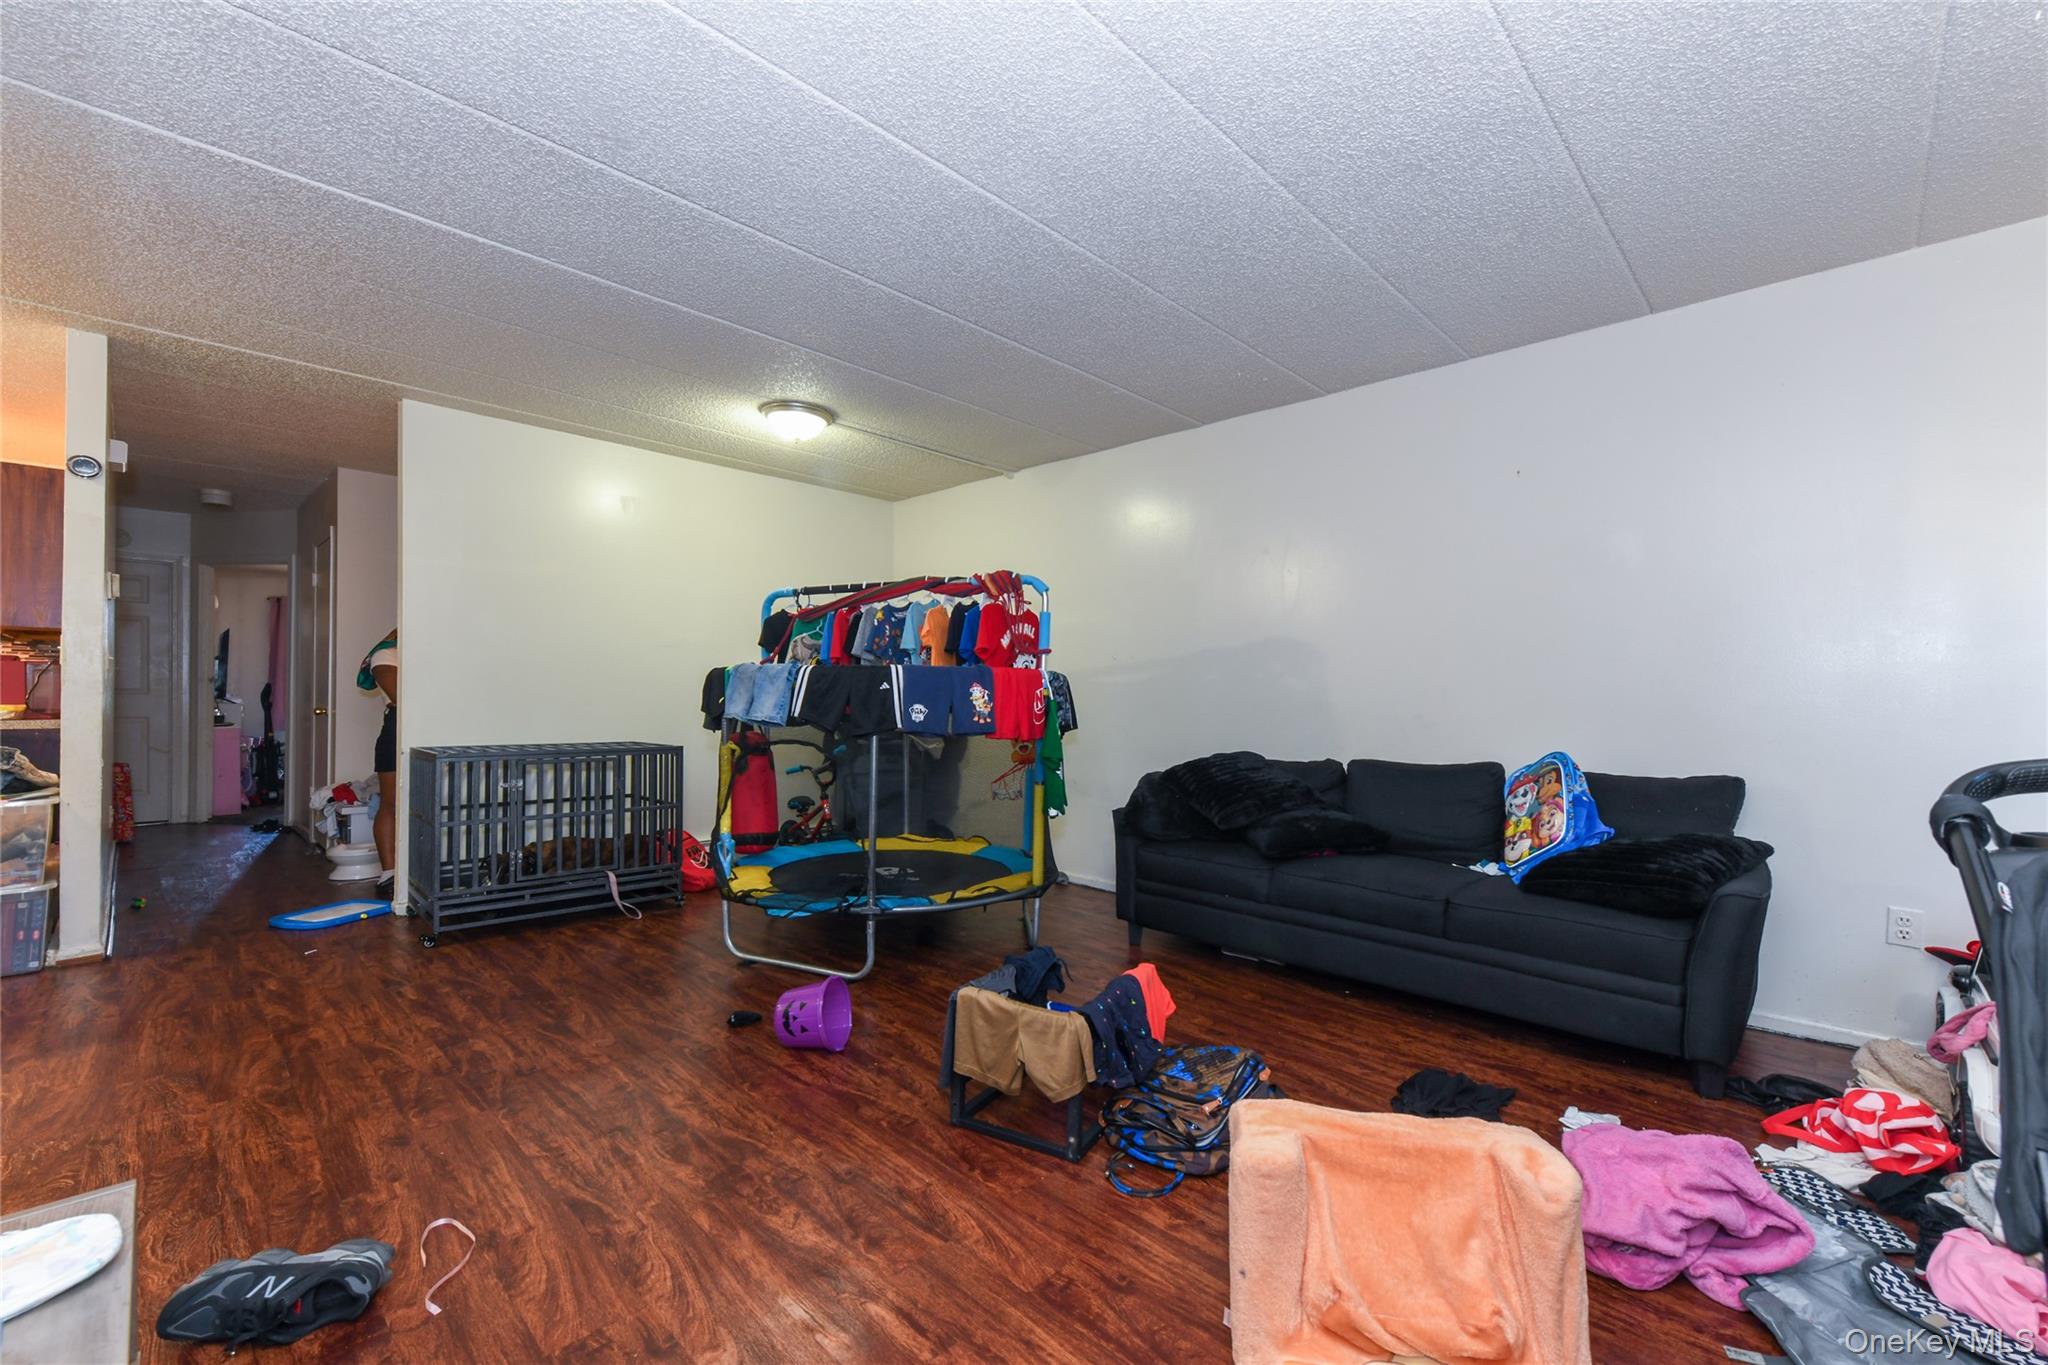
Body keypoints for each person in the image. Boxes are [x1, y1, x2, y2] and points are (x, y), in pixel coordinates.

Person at [357, 628, 398, 902]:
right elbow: (402, 698)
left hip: (432, 730)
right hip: (397, 729)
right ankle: (389, 874)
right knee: (392, 803)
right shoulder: (385, 654)